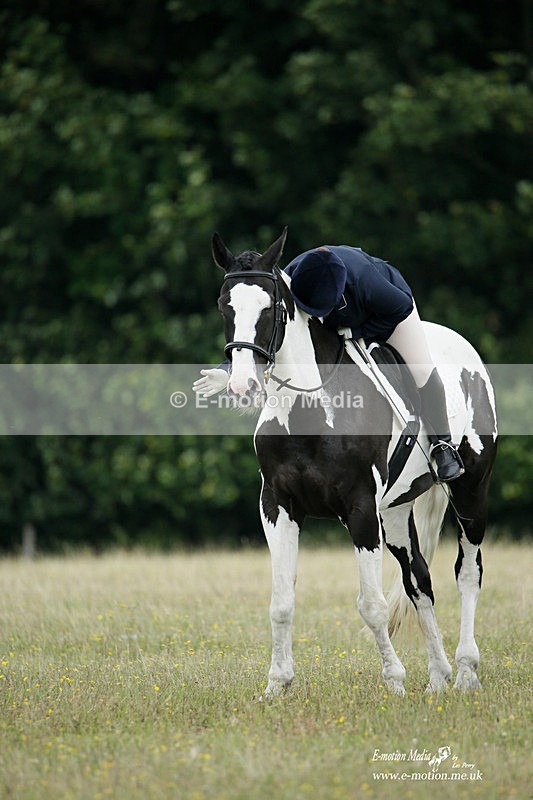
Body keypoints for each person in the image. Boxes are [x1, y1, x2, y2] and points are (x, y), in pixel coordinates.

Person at [194, 244, 464, 482]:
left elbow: (401, 308)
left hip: (386, 312)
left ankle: (443, 445)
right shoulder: (289, 280)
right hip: (329, 306)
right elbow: (270, 334)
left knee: (421, 370)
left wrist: (359, 333)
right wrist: (229, 367)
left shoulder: (369, 284)